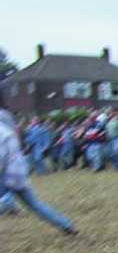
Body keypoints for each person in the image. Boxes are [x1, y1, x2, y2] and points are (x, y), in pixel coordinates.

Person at [0, 96, 77, 233]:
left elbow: (2, 156)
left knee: (10, 200)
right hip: (18, 172)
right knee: (35, 205)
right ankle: (66, 225)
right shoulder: (9, 126)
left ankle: (7, 204)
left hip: (6, 174)